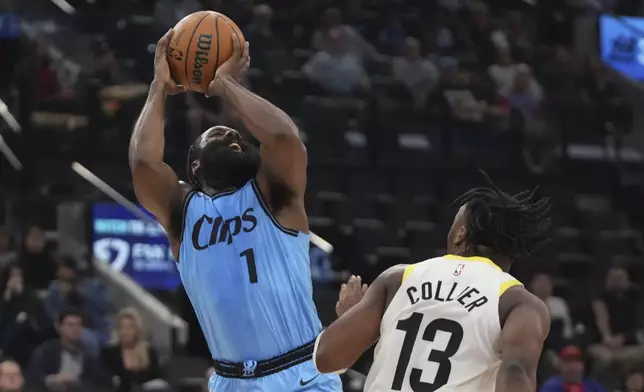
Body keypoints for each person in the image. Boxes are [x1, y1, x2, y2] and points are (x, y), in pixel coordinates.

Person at [128, 29, 341, 392]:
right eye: (219, 135)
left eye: (237, 136)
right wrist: (159, 87)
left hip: (301, 373)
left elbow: (283, 138)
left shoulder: (274, 195)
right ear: (194, 166)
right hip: (231, 381)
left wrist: (225, 84)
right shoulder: (182, 209)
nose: (234, 137)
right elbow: (144, 163)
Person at [314, 174, 552, 392]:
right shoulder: (518, 303)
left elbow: (326, 359)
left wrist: (352, 321)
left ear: (460, 233)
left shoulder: (397, 278)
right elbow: (516, 374)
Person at [27, 308, 108, 391]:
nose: (75, 329)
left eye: (78, 324)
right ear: (59, 327)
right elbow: (32, 377)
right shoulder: (46, 352)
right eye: (70, 325)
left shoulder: (90, 355)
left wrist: (77, 383)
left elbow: (100, 382)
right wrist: (52, 380)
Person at [100, 308, 165, 392]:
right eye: (121, 327)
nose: (125, 331)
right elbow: (103, 382)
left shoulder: (149, 352)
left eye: (130, 327)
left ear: (137, 330)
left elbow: (158, 380)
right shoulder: (108, 353)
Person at [538, 346, 607, 392]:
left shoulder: (593, 385)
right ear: (560, 366)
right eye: (568, 363)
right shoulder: (550, 386)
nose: (572, 367)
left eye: (575, 362)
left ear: (582, 366)